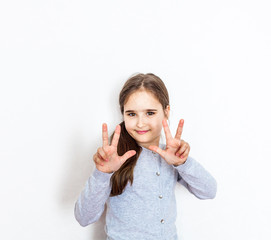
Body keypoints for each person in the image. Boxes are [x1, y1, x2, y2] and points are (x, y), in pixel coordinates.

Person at [74, 73, 217, 239]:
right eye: (132, 114)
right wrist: (102, 174)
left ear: (166, 112)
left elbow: (209, 191)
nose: (140, 123)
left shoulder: (171, 156)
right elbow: (84, 217)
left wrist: (182, 163)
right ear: (123, 114)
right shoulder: (113, 159)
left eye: (149, 113)